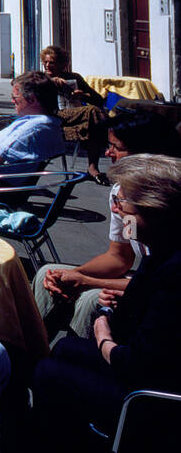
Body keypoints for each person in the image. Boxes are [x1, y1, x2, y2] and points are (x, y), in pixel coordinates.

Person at [30, 154, 181, 453]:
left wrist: (101, 332)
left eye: (123, 205)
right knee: (65, 348)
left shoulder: (173, 270)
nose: (115, 209)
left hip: (156, 401)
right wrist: (93, 290)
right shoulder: (162, 250)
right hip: (147, 375)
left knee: (49, 374)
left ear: (155, 212)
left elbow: (137, 363)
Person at [33, 109, 178, 340]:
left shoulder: (165, 202)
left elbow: (156, 281)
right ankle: (33, 352)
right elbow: (120, 257)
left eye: (117, 148)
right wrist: (75, 274)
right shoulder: (122, 196)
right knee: (46, 274)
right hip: (144, 279)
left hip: (162, 290)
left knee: (91, 300)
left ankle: (79, 361)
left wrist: (86, 281)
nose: (107, 153)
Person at [39, 45, 111, 182]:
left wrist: (83, 96)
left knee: (94, 116)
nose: (47, 66)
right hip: (51, 117)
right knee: (94, 113)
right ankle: (95, 163)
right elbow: (19, 84)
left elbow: (98, 99)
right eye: (45, 62)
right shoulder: (39, 78)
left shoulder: (74, 77)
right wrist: (50, 82)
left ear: (62, 64)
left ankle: (93, 167)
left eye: (52, 62)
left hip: (74, 116)